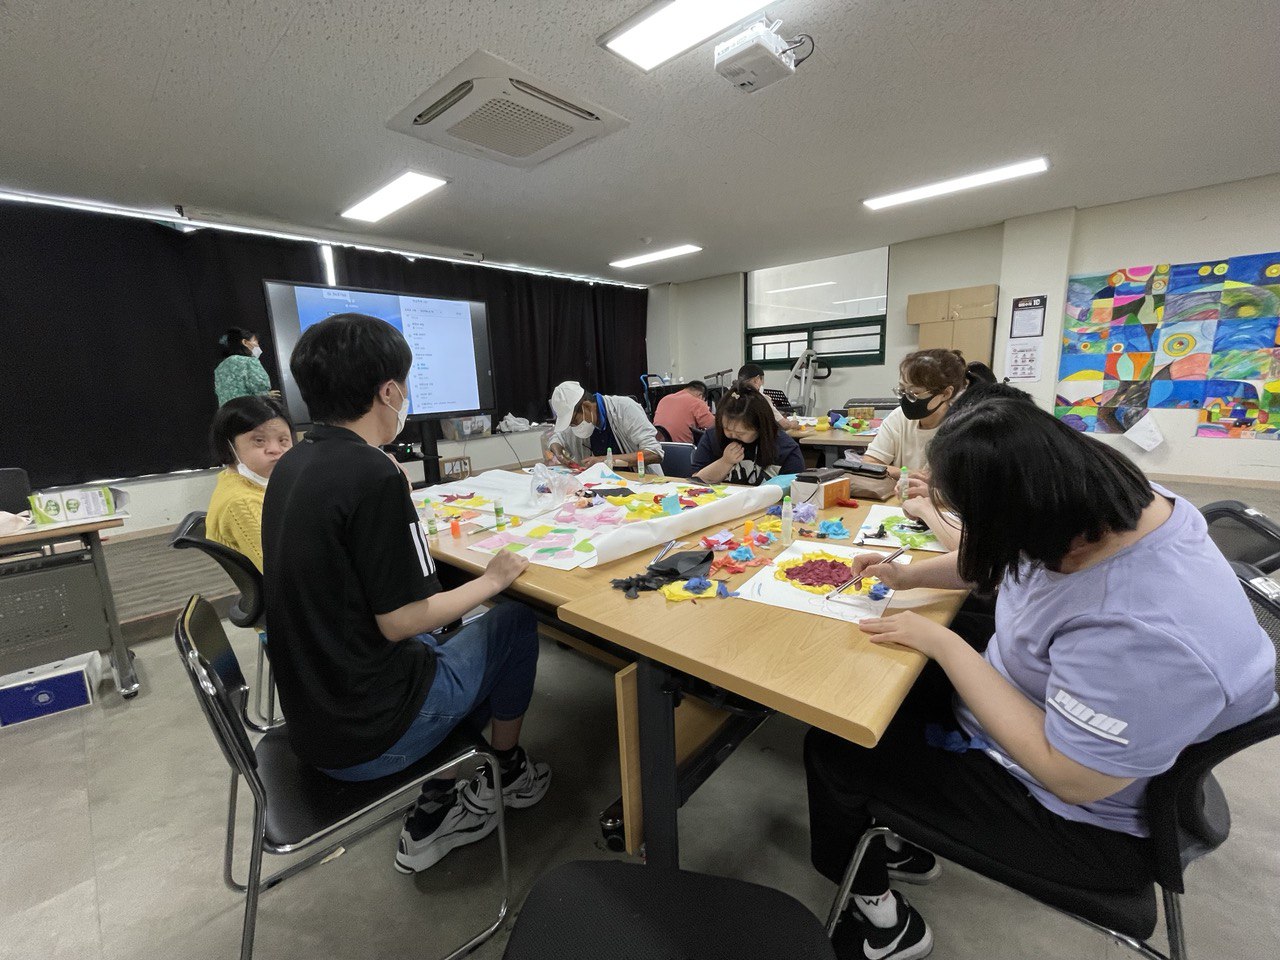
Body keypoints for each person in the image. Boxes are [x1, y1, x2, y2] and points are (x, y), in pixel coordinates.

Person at [805, 396, 1276, 960]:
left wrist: (947, 646)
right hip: (1044, 699)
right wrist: (904, 574)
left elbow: (1070, 776)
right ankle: (891, 836)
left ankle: (882, 926)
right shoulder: (1099, 503)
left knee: (838, 744)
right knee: (873, 685)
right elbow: (1004, 560)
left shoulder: (1148, 631)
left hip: (1076, 814)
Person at [262, 313, 551, 875]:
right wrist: (491, 580)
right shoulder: (371, 475)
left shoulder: (294, 463)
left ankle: (449, 786)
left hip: (317, 722)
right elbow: (400, 621)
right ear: (389, 391)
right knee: (511, 621)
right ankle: (504, 774)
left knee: (460, 626)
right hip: (372, 737)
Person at [863, 349, 996, 548]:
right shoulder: (899, 417)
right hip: (902, 510)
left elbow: (976, 493)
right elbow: (869, 464)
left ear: (946, 393)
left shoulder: (963, 426)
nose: (907, 399)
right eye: (902, 391)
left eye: (915, 393)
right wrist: (907, 475)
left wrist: (935, 492)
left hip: (948, 520)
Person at [205, 395, 293, 570]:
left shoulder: (237, 481)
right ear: (228, 446)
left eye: (283, 441)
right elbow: (285, 571)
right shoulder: (242, 502)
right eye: (259, 441)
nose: (275, 450)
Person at [690, 382, 805, 485]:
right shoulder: (713, 437)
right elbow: (695, 481)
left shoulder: (785, 449)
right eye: (726, 428)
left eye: (740, 433)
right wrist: (725, 462)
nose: (732, 435)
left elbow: (797, 491)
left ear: (760, 428)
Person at [548, 381, 664, 470]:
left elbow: (654, 453)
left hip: (640, 482)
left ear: (587, 406)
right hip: (604, 486)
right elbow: (558, 437)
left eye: (574, 421)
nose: (573, 426)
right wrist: (558, 452)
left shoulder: (625, 408)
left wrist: (606, 461)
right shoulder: (578, 422)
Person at [214, 326, 273, 406]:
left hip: (228, 414)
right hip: (250, 412)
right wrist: (267, 395)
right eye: (256, 341)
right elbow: (260, 389)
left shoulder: (219, 368)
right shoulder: (249, 362)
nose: (258, 345)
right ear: (245, 342)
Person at [738, 362, 801, 430]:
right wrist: (794, 423)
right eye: (762, 380)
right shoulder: (761, 399)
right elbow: (784, 425)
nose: (762, 383)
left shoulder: (732, 398)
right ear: (757, 379)